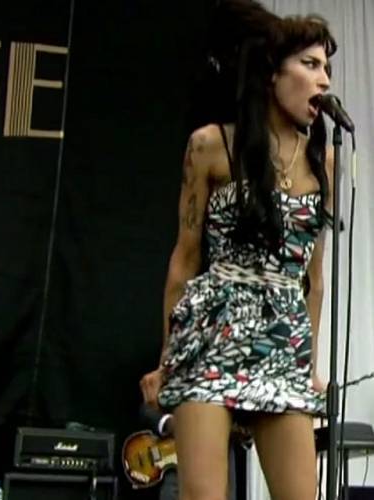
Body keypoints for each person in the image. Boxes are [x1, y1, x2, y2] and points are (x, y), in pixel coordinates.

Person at [142, 1, 337, 499]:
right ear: (272, 74)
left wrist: (309, 365)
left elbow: (314, 279)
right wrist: (166, 357)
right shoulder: (210, 145)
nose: (324, 81)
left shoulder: (323, 162)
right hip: (212, 332)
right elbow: (185, 259)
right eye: (310, 64)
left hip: (282, 340)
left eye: (328, 68)